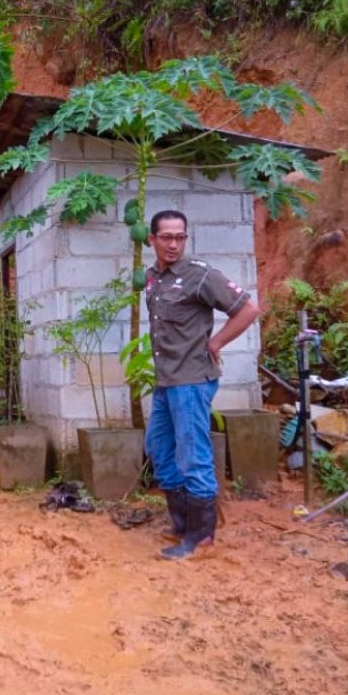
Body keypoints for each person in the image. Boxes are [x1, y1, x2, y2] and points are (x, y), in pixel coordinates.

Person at [143, 210, 260, 560]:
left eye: (180, 236)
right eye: (166, 237)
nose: (174, 244)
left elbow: (248, 309)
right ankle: (182, 523)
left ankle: (201, 538)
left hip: (192, 381)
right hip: (167, 380)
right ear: (152, 240)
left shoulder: (201, 275)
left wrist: (216, 343)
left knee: (193, 456)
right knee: (158, 447)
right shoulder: (153, 277)